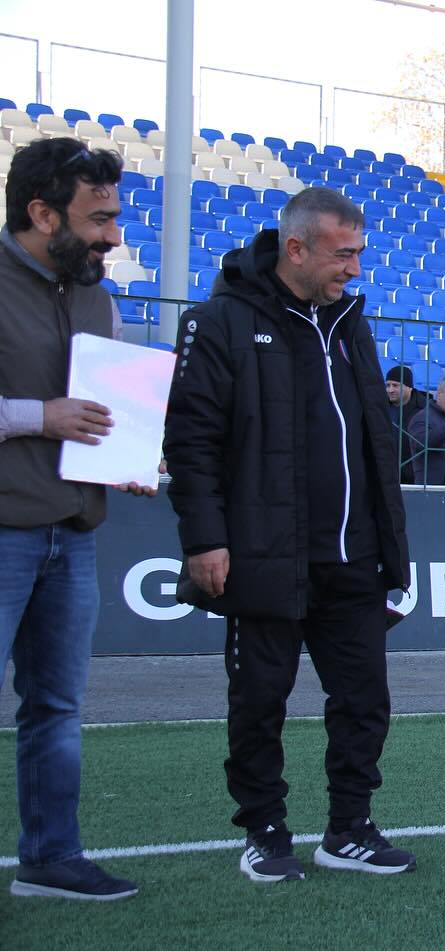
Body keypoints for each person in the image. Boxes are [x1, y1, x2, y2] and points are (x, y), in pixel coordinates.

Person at [163, 186, 416, 884]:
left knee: (364, 700)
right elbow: (190, 440)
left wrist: (391, 547)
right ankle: (265, 831)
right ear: (296, 248)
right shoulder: (222, 321)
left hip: (353, 556)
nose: (356, 269)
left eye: (360, 253)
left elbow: (371, 442)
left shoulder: (350, 324)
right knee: (258, 702)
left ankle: (350, 828)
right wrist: (204, 539)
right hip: (262, 554)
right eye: (345, 253)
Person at [0, 138, 153, 901]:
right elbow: (59, 413)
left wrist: (128, 457)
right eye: (100, 219)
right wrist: (41, 417)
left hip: (74, 530)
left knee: (57, 705)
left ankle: (50, 858)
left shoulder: (97, 294)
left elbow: (104, 409)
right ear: (40, 212)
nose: (114, 235)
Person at [384, 365, 427, 484]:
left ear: (409, 387)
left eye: (395, 385)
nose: (390, 390)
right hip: (387, 477)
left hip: (416, 477)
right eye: (388, 385)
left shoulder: (424, 408)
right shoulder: (381, 408)